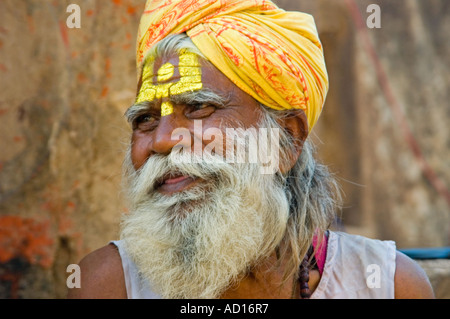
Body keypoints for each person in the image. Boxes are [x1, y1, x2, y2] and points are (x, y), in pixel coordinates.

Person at [67, 0, 434, 299]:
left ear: (285, 141)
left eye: (197, 108)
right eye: (145, 119)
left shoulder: (389, 286)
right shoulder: (106, 286)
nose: (162, 140)